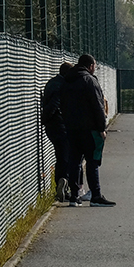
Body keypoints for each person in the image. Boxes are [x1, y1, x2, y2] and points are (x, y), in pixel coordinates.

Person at [61, 53, 113, 206]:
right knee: (92, 161)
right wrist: (101, 128)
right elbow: (98, 106)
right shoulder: (90, 80)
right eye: (94, 66)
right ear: (90, 66)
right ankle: (95, 195)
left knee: (75, 161)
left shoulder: (66, 81)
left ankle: (74, 196)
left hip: (71, 128)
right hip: (89, 129)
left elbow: (62, 105)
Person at [40, 62, 73, 202]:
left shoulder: (51, 83)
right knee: (66, 156)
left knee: (60, 155)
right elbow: (55, 104)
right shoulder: (63, 85)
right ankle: (64, 181)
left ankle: (59, 184)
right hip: (60, 125)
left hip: (51, 127)